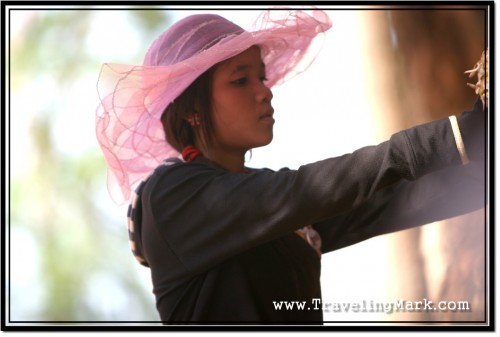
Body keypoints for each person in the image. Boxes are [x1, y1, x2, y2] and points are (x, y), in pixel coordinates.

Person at [95, 9, 486, 323]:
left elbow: (392, 201)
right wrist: (458, 135)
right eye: (240, 80)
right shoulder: (171, 196)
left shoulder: (268, 203)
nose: (264, 91)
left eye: (261, 77)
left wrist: (484, 156)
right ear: (192, 109)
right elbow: (305, 191)